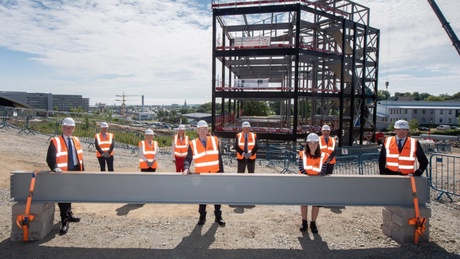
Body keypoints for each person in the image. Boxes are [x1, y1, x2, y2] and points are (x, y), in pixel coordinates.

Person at [183, 120, 226, 227]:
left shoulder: (215, 140)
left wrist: (221, 173)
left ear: (208, 130)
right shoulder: (193, 144)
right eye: (200, 130)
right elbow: (187, 159)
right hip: (201, 176)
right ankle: (202, 217)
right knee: (202, 197)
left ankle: (218, 216)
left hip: (215, 174)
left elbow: (219, 158)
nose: (202, 132)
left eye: (204, 129)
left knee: (217, 196)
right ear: (197, 131)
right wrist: (186, 168)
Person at [46, 117, 83, 235]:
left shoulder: (76, 140)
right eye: (66, 127)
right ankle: (64, 220)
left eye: (70, 128)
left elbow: (79, 157)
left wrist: (83, 171)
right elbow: (50, 158)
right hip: (62, 173)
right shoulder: (55, 141)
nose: (68, 129)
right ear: (62, 128)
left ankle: (69, 214)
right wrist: (55, 168)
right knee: (63, 196)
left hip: (75, 171)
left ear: (73, 128)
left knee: (70, 193)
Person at [298, 133, 328, 234]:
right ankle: (304, 221)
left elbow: (323, 170)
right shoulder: (302, 154)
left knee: (315, 204)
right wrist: (309, 179)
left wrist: (315, 180)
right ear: (307, 144)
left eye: (315, 144)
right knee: (304, 203)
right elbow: (301, 168)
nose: (313, 146)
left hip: (317, 183)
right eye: (310, 144)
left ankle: (313, 223)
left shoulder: (323, 156)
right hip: (304, 183)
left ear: (318, 144)